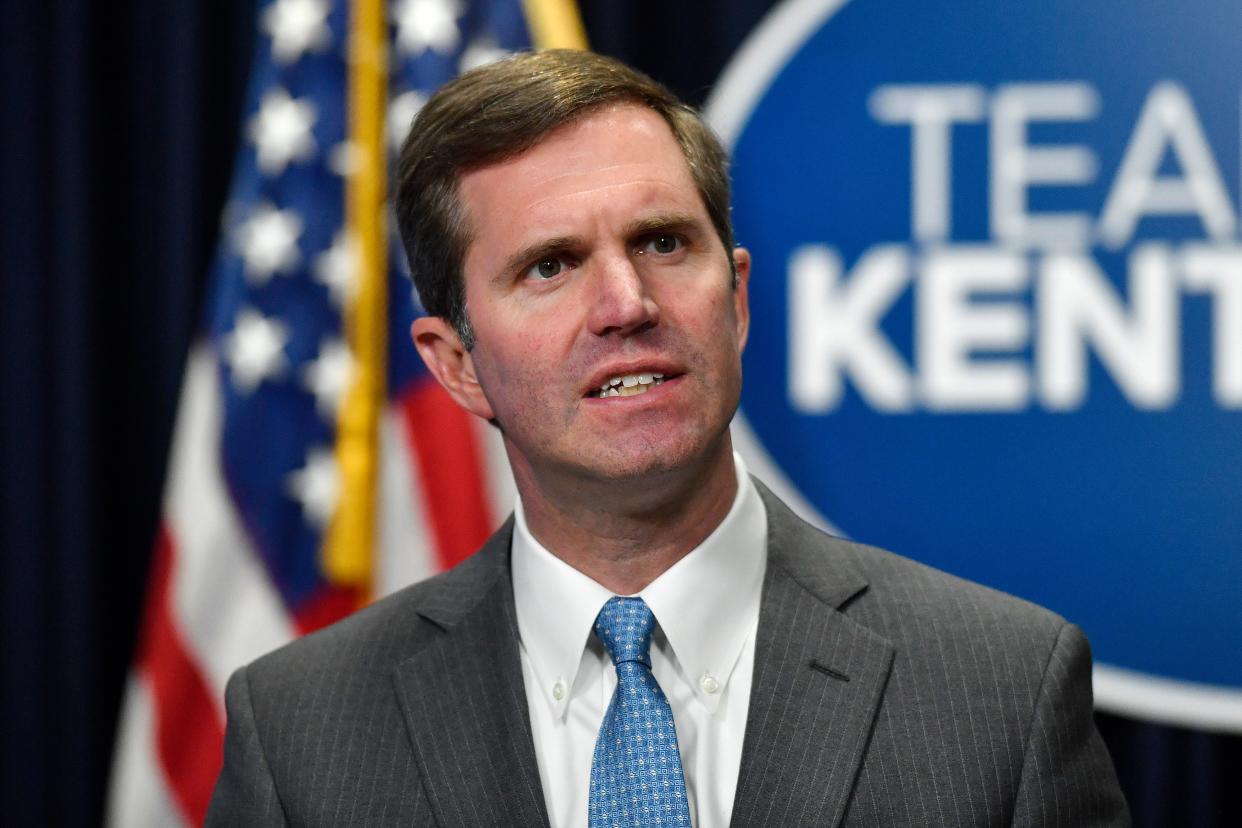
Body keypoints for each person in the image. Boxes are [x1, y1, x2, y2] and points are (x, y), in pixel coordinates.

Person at [207, 50, 1129, 827]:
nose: (627, 305)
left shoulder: (1000, 691)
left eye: (661, 242)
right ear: (456, 364)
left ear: (736, 300)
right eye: (551, 265)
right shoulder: (299, 734)